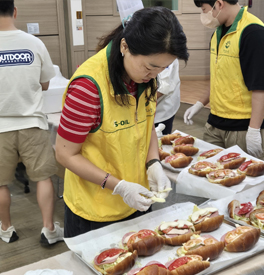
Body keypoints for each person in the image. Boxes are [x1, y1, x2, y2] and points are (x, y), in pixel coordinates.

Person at [55, 6, 189, 237]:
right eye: (150, 66)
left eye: (163, 68)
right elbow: (65, 154)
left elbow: (146, 127)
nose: (154, 74)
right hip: (94, 210)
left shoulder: (146, 79)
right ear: (125, 46)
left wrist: (153, 163)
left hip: (136, 201)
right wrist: (118, 186)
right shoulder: (88, 87)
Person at [0, 0, 63, 245]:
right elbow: (46, 83)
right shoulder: (35, 43)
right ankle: (49, 229)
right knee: (44, 178)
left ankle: (6, 228)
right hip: (34, 124)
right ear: (15, 11)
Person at [183, 0, 264, 160]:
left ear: (219, 4)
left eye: (204, 10)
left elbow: (261, 87)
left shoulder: (254, 33)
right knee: (210, 175)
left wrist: (253, 130)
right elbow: (219, 77)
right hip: (215, 123)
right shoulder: (217, 33)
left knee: (245, 181)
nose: (203, 15)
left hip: (243, 127)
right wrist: (200, 104)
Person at [154, 59, 181, 135]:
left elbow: (164, 87)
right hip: (147, 108)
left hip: (162, 109)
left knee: (160, 141)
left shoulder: (165, 51)